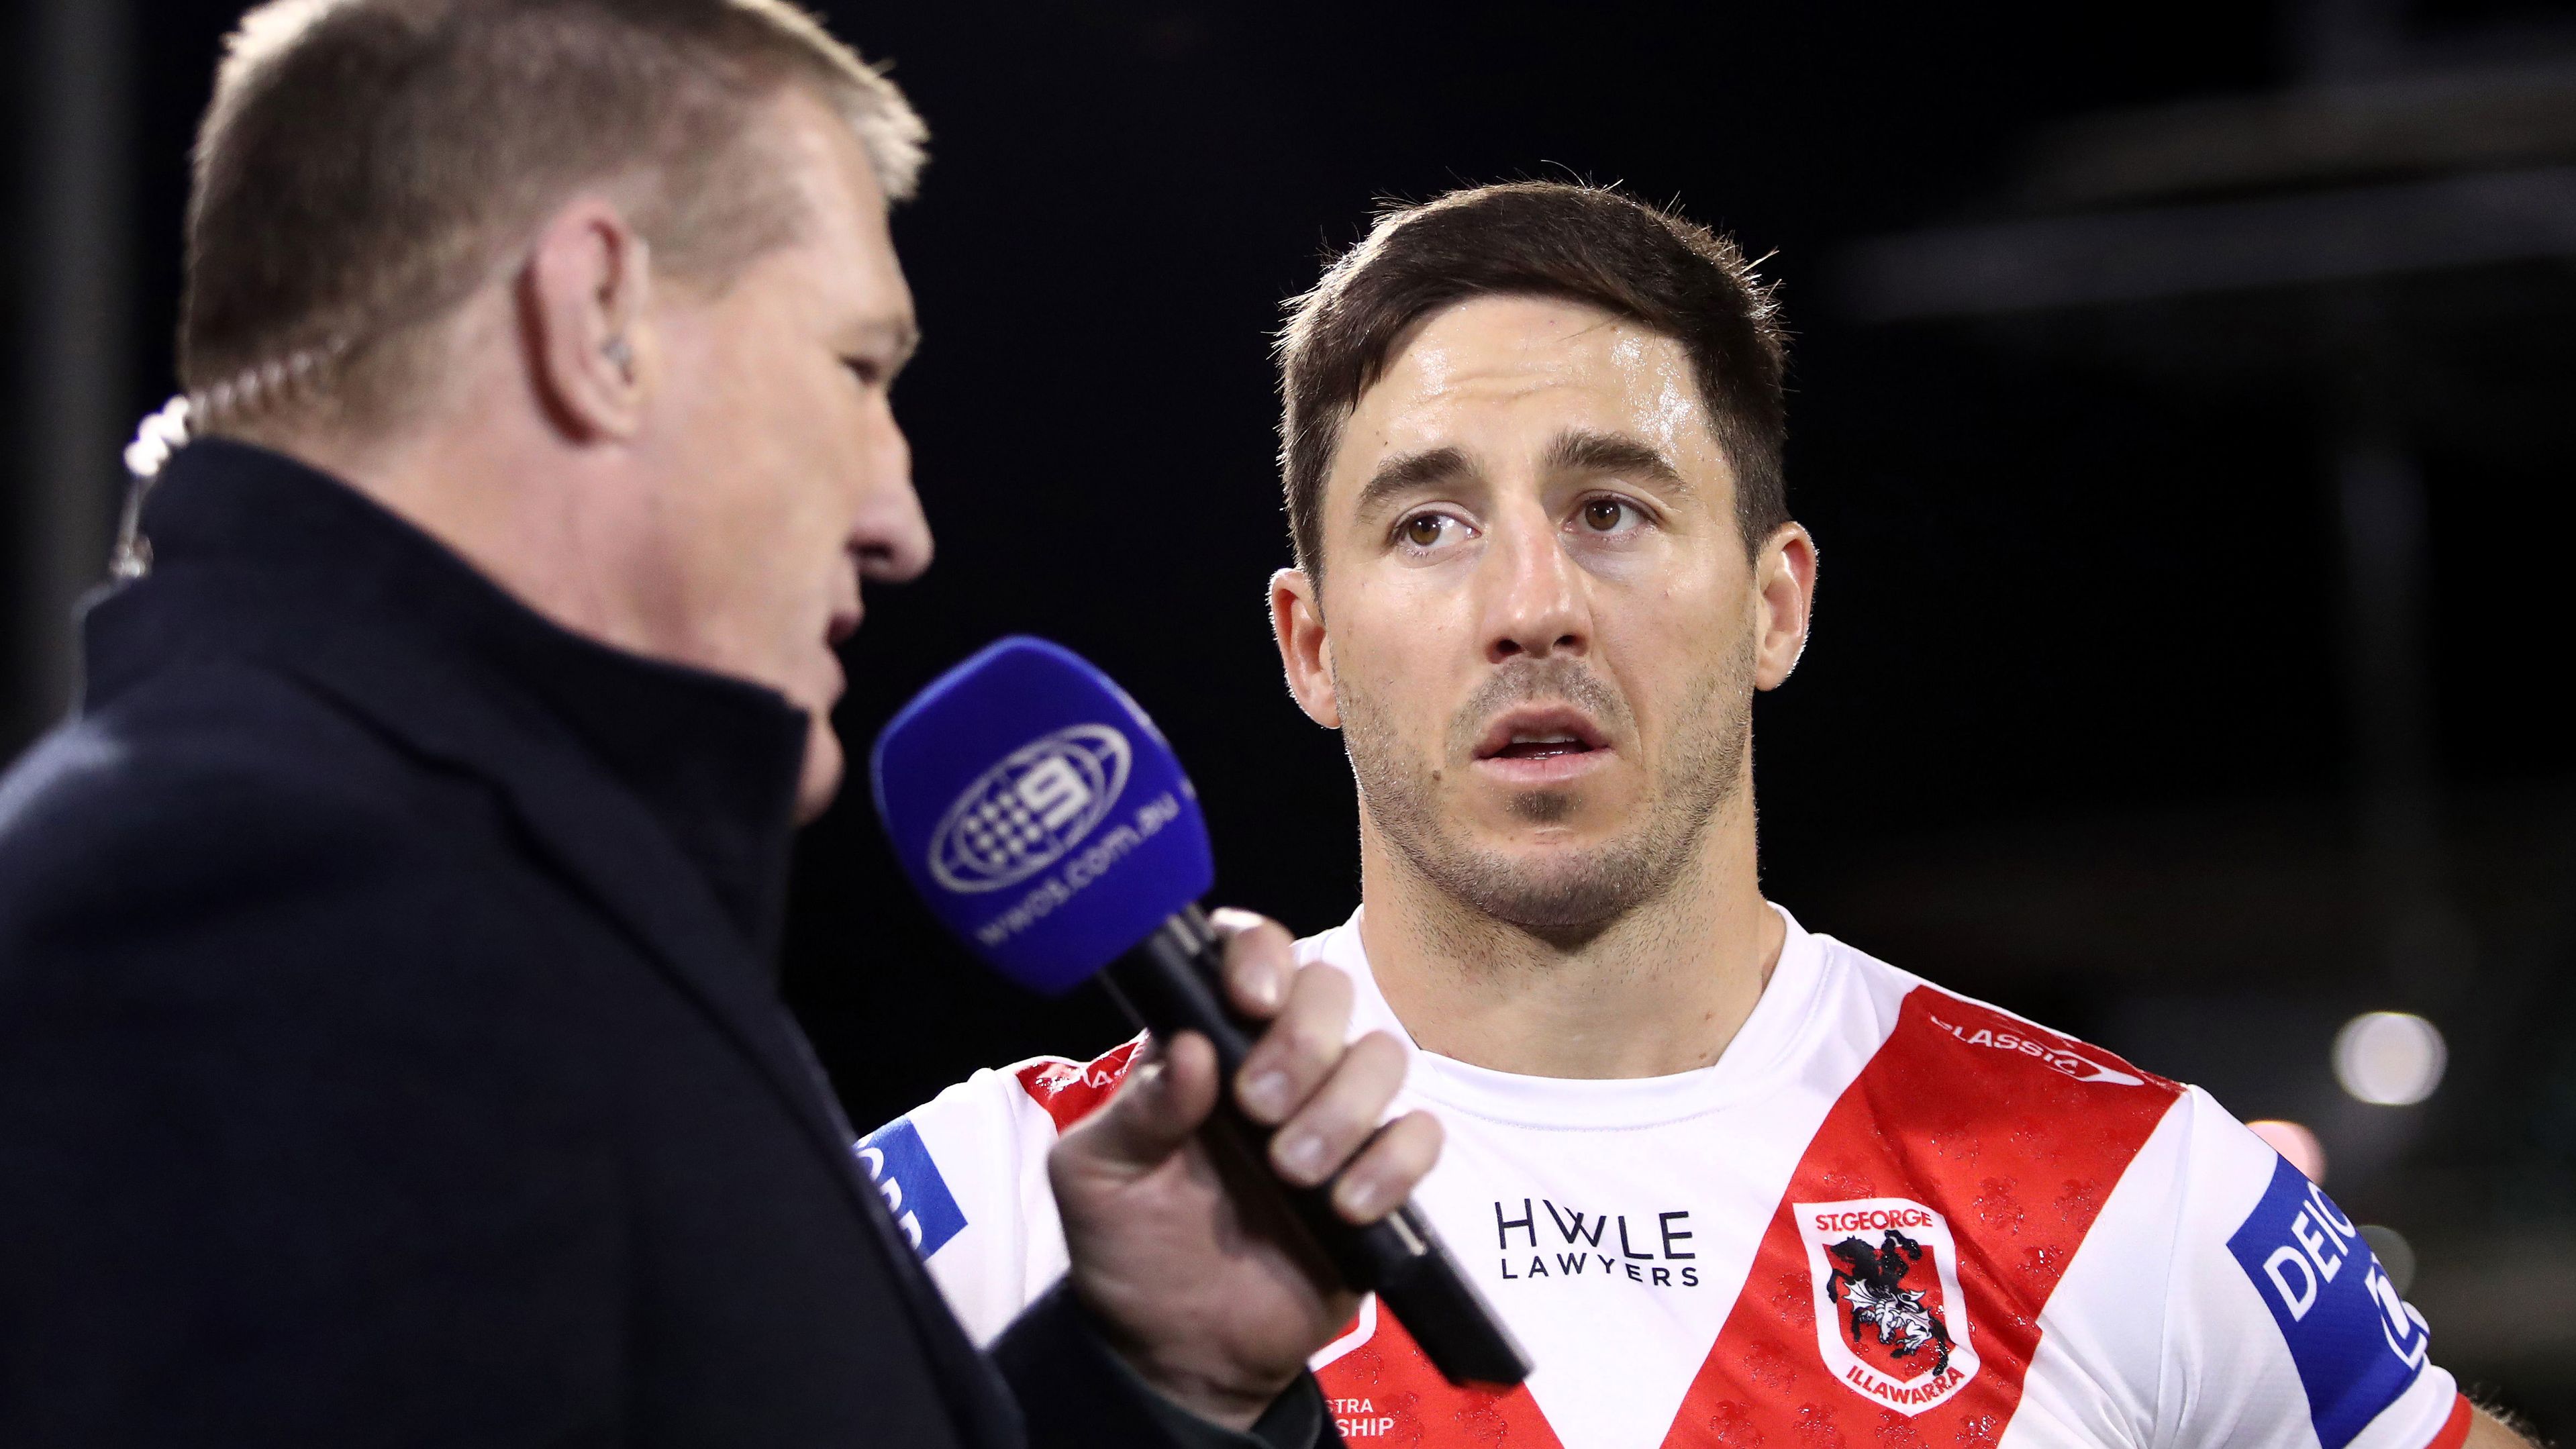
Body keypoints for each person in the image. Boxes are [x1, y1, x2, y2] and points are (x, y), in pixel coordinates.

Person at [861, 182, 2533, 1449]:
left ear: (1772, 604)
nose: (1529, 604)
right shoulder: (1013, 1198)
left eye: (1609, 507)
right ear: (1308, 644)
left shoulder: (2128, 1196)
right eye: (1428, 525)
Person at [0, 2, 1441, 1444]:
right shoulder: (247, 905)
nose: (902, 521)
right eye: (857, 371)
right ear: (599, 321)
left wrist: (1155, 1374)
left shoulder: (479, 908)